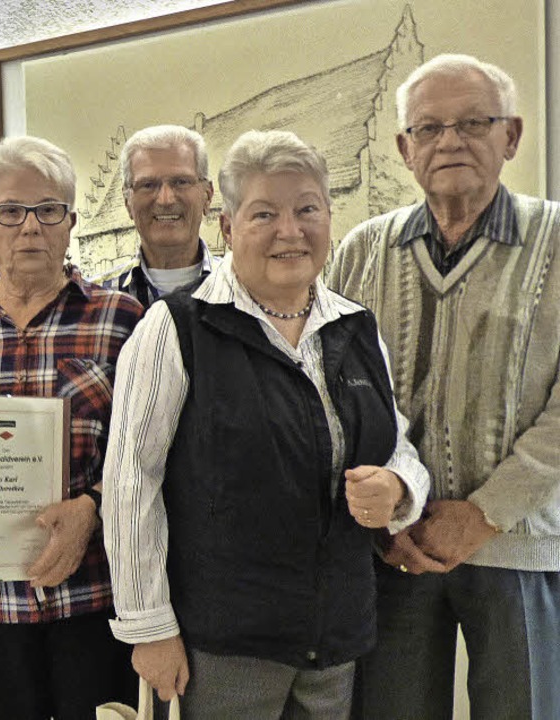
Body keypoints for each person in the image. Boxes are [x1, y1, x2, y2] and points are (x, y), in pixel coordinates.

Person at [103, 129, 430, 719]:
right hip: (224, 650)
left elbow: (397, 444)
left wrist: (400, 489)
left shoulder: (355, 327)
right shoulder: (175, 330)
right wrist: (148, 628)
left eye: (307, 209)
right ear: (227, 228)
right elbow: (131, 484)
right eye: (264, 213)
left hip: (335, 642)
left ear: (330, 217)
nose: (290, 230)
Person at [328, 54, 560, 719]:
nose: (448, 141)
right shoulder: (362, 250)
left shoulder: (553, 240)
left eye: (472, 123)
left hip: (515, 543)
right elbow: (333, 392)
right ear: (404, 148)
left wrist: (484, 513)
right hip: (392, 550)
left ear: (509, 136)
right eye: (427, 129)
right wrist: (388, 512)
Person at [0, 135, 143, 719]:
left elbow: (153, 460)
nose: (30, 228)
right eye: (10, 212)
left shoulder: (122, 320)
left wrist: (93, 507)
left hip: (92, 601)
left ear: (70, 223)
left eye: (48, 210)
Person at [108, 125, 217, 306]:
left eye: (181, 182)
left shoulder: (247, 292)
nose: (165, 200)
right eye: (148, 185)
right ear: (127, 202)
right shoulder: (91, 304)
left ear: (207, 196)